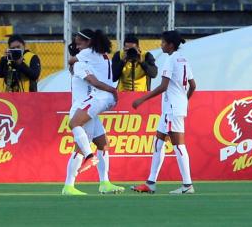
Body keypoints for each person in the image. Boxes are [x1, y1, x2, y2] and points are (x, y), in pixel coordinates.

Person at [130, 30, 196, 194]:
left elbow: (163, 86)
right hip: (175, 107)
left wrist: (142, 99)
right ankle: (150, 183)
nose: (161, 45)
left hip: (172, 108)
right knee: (158, 143)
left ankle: (187, 185)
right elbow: (193, 85)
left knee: (178, 145)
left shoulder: (170, 60)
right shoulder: (184, 60)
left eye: (163, 42)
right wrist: (184, 101)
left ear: (170, 45)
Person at [62, 41, 124, 195]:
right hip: (83, 108)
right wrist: (112, 91)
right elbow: (93, 81)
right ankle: (68, 186)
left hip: (89, 108)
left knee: (103, 144)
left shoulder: (86, 64)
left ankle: (105, 183)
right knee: (80, 149)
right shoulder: (80, 65)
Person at [67, 29, 118, 177]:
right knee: (103, 144)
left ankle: (89, 158)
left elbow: (92, 81)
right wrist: (113, 91)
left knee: (76, 130)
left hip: (95, 98)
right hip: (100, 99)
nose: (78, 48)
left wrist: (112, 90)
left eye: (79, 44)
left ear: (88, 42)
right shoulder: (101, 55)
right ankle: (105, 183)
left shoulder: (83, 59)